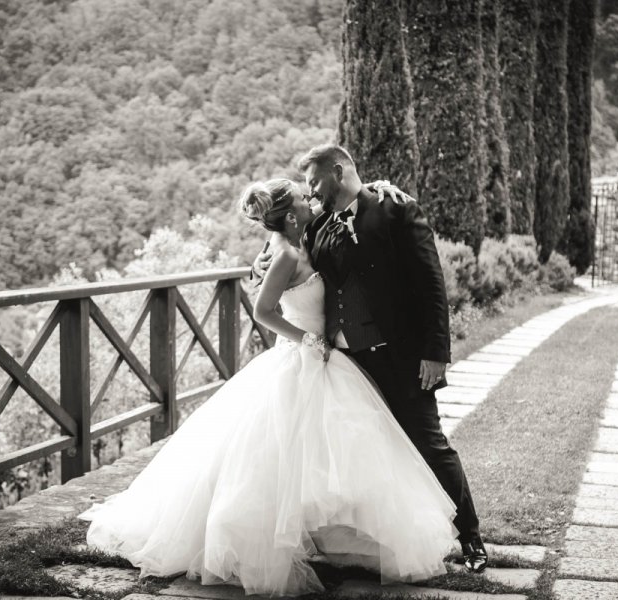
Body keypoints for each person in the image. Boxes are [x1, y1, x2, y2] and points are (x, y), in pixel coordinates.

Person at [78, 178, 459, 598]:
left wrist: (375, 185)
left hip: (327, 360)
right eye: (302, 195)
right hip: (300, 358)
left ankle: (335, 539)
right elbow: (264, 312)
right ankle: (266, 542)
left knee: (329, 452)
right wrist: (307, 340)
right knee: (278, 457)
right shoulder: (285, 253)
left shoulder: (306, 235)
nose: (310, 197)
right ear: (292, 215)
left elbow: (343, 191)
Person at [252, 144, 488, 573]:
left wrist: (436, 354)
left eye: (315, 183)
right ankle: (374, 544)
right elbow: (285, 254)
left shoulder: (395, 209)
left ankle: (471, 540)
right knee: (369, 458)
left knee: (430, 445)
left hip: (399, 358)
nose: (312, 193)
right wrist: (264, 254)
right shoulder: (317, 226)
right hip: (346, 365)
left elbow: (431, 285)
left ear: (338, 172)